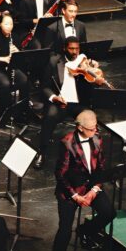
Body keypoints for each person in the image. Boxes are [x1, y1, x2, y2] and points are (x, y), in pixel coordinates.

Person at [46, 109, 116, 251]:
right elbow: (60, 175)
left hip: (90, 186)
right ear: (80, 128)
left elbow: (100, 169)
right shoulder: (67, 143)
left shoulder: (97, 139)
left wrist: (94, 190)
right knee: (64, 232)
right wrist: (76, 196)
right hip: (70, 190)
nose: (96, 132)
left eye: (96, 128)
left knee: (109, 213)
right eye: (92, 129)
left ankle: (86, 231)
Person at [37, 37, 101, 168]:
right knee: (49, 117)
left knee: (90, 119)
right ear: (64, 48)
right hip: (60, 102)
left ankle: (94, 156)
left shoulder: (84, 62)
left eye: (77, 49)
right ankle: (41, 152)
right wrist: (54, 97)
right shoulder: (54, 62)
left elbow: (91, 86)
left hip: (78, 104)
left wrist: (92, 73)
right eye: (71, 48)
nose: (75, 52)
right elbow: (44, 87)